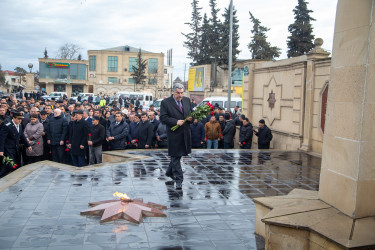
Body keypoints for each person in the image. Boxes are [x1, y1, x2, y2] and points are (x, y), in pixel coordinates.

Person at [160, 83, 192, 189]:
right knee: (175, 156)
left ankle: (169, 172)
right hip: (174, 134)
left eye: (182, 93)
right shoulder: (165, 102)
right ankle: (179, 180)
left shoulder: (187, 100)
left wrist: (192, 119)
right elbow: (163, 118)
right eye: (178, 93)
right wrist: (175, 121)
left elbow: (190, 113)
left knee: (177, 156)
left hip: (185, 133)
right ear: (173, 92)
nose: (180, 95)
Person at [0, 111, 32, 177]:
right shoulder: (7, 126)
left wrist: (28, 145)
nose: (20, 120)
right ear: (14, 118)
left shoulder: (19, 125)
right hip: (8, 149)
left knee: (17, 164)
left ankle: (14, 178)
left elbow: (22, 136)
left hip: (16, 148)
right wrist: (1, 150)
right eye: (18, 119)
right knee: (9, 165)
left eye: (21, 119)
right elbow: (2, 139)